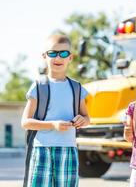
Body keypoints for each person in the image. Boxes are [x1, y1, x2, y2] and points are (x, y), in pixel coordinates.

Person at [21, 34, 90, 187]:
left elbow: (87, 118)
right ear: (44, 56)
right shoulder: (39, 86)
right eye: (52, 53)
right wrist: (53, 125)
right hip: (41, 150)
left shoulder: (76, 87)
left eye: (63, 53)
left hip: (68, 149)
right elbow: (25, 122)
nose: (58, 57)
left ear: (70, 58)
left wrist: (82, 120)